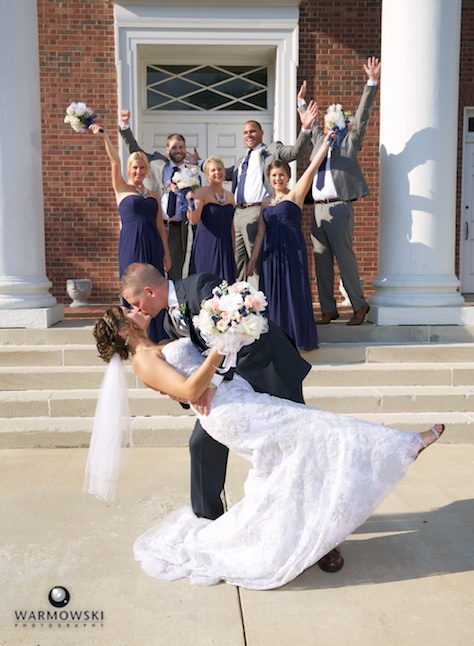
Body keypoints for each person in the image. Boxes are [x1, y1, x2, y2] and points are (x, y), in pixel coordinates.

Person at [89, 304, 445, 590]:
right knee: (321, 429)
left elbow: (192, 382)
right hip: (232, 414)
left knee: (291, 463)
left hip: (238, 398)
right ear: (124, 330)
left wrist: (218, 354)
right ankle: (404, 444)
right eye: (128, 312)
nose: (135, 310)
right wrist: (217, 352)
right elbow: (187, 392)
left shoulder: (156, 346)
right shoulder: (143, 360)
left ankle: (300, 534)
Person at [187, 98, 319, 284]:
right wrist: (201, 163)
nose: (249, 135)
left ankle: (259, 304)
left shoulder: (272, 149)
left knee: (255, 263)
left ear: (261, 133)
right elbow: (223, 173)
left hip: (256, 211)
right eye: (245, 132)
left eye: (252, 131)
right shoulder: (242, 160)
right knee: (237, 264)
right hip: (236, 215)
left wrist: (305, 130)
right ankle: (238, 305)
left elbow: (295, 152)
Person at [307, 57, 381, 326]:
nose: (329, 128)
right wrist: (301, 103)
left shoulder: (349, 142)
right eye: (327, 123)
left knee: (345, 258)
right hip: (316, 210)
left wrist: (371, 82)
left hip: (339, 207)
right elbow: (310, 125)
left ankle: (359, 305)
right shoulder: (319, 142)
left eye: (334, 123)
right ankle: (328, 309)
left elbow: (362, 115)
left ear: (340, 125)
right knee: (321, 261)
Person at [246, 125, 333, 351]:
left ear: (288, 176)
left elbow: (312, 168)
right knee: (272, 294)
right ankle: (275, 338)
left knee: (292, 291)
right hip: (269, 254)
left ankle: (297, 337)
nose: (278, 178)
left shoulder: (295, 194)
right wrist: (253, 260)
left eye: (281, 175)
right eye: (274, 175)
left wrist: (325, 143)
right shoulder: (265, 203)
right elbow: (261, 233)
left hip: (291, 250)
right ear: (269, 178)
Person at [89, 123, 171, 342]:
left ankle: (156, 336)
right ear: (128, 169)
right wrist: (105, 136)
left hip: (153, 243)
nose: (138, 172)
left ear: (146, 170)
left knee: (153, 287)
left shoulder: (154, 195)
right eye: (134, 168)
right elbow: (114, 159)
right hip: (131, 243)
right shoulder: (121, 188)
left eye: (142, 168)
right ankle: (131, 336)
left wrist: (167, 254)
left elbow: (161, 227)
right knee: (132, 286)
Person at [119, 110, 200, 282]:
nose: (178, 150)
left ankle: (174, 308)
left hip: (178, 228)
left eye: (181, 147)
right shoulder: (155, 162)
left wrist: (197, 167)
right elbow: (134, 149)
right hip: (155, 226)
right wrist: (125, 125)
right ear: (167, 149)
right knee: (152, 271)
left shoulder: (191, 172)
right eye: (174, 147)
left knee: (175, 271)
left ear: (185, 149)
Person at [187, 156, 237, 283]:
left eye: (219, 169)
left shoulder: (230, 196)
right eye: (213, 170)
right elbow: (194, 220)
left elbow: (231, 225)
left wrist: (233, 249)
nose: (217, 173)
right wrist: (190, 204)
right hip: (206, 243)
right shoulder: (200, 193)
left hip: (225, 244)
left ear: (224, 172)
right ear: (207, 175)